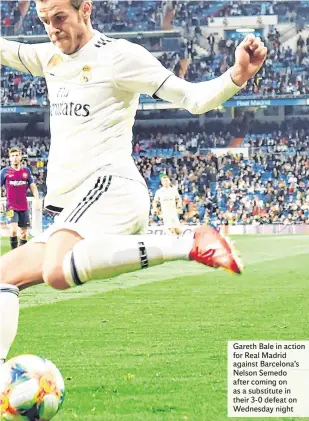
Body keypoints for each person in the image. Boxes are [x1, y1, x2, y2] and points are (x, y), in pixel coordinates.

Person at [0, 0, 267, 365]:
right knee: (3, 276)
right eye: (45, 21)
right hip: (76, 209)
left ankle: (187, 242)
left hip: (112, 188)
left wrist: (236, 75)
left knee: (57, 271)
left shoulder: (120, 56)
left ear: (86, 10)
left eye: (60, 17)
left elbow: (192, 98)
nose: (52, 29)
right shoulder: (48, 57)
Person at [0, 147, 40, 249]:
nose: (15, 158)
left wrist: (37, 199)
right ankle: (14, 252)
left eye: (17, 155)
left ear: (20, 156)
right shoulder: (5, 171)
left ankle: (21, 255)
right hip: (11, 207)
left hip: (24, 206)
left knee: (23, 234)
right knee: (13, 230)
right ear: (9, 158)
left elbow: (32, 185)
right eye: (12, 156)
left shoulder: (26, 171)